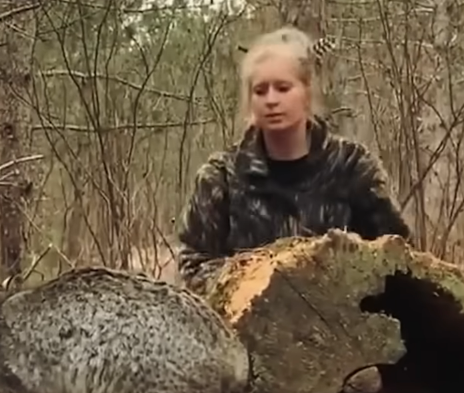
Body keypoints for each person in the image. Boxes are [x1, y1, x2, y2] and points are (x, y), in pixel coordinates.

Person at [175, 26, 411, 295]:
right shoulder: (222, 177)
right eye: (260, 91)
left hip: (341, 326)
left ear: (307, 92)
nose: (271, 100)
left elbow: (398, 255)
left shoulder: (351, 166)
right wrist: (245, 284)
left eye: (283, 88)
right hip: (240, 328)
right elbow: (193, 262)